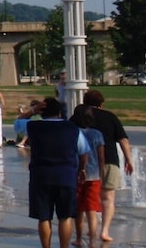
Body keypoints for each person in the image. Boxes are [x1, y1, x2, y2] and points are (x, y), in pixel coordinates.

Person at [26, 97, 91, 248]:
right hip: (66, 176)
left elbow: (17, 123)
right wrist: (82, 169)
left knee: (43, 217)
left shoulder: (33, 126)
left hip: (40, 177)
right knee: (65, 216)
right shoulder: (72, 128)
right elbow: (84, 150)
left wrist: (33, 110)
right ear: (60, 113)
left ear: (42, 112)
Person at [83, 89, 133, 243]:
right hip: (109, 160)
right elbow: (123, 140)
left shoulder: (79, 117)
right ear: (102, 104)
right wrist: (128, 159)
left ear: (84, 102)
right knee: (108, 198)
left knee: (87, 198)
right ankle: (104, 231)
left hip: (86, 163)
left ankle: (90, 229)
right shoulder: (110, 117)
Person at [70, 104, 105, 246]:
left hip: (75, 174)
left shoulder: (72, 133)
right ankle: (92, 239)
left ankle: (78, 238)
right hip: (94, 175)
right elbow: (101, 157)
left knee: (78, 208)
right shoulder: (97, 134)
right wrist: (101, 173)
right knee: (91, 208)